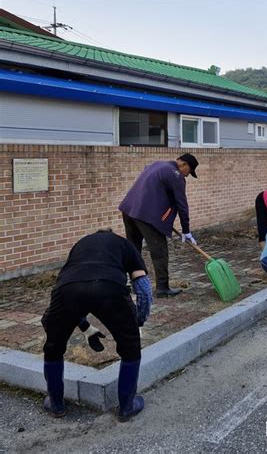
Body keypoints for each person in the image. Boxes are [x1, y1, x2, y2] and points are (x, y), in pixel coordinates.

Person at [41, 228, 153, 422]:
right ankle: (127, 407)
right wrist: (137, 322)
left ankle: (56, 404)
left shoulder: (80, 244)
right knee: (130, 348)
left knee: (53, 347)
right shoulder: (124, 243)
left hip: (67, 290)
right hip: (110, 287)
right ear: (111, 234)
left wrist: (84, 326)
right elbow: (143, 288)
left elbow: (74, 290)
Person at [119, 153, 199, 297]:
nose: (187, 176)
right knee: (159, 252)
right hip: (147, 216)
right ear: (184, 165)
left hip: (129, 210)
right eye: (189, 172)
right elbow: (182, 204)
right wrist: (186, 230)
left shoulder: (156, 165)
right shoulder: (175, 174)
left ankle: (133, 284)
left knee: (133, 250)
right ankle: (162, 288)